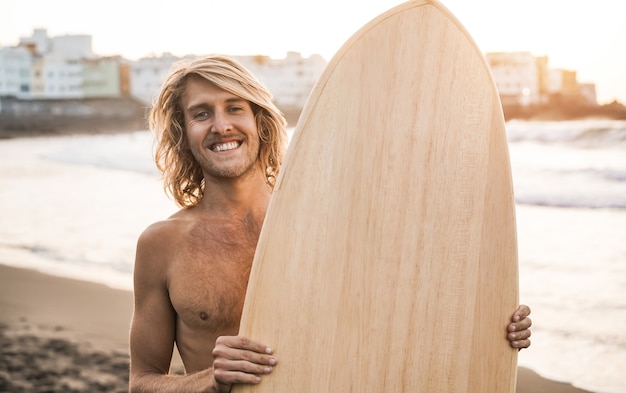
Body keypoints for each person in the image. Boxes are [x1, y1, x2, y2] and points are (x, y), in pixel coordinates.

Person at [128, 54, 532, 393]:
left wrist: (492, 328)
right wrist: (205, 381)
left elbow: (407, 315)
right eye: (202, 114)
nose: (221, 126)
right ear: (184, 134)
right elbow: (141, 381)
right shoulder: (163, 244)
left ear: (259, 122)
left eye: (235, 107)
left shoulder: (329, 221)